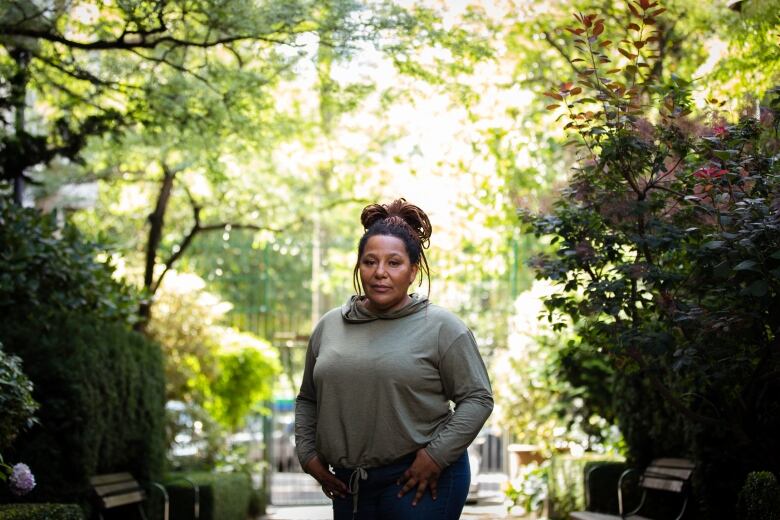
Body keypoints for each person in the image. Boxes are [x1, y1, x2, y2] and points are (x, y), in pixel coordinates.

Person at [294, 198, 494, 520]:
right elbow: (308, 399)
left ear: (413, 271)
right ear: (359, 266)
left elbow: (478, 398)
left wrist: (435, 457)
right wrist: (307, 455)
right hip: (350, 486)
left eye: (394, 263)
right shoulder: (329, 326)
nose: (380, 273)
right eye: (370, 262)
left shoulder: (443, 327)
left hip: (420, 478)